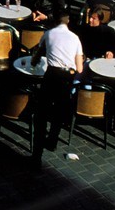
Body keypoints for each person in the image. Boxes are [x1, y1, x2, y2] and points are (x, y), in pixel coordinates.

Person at [33, 13, 85, 159]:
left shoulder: (48, 33)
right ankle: (52, 141)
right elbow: (80, 68)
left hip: (52, 74)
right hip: (67, 77)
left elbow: (37, 54)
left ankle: (37, 154)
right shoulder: (75, 38)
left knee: (42, 112)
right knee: (59, 110)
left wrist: (34, 61)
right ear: (68, 22)